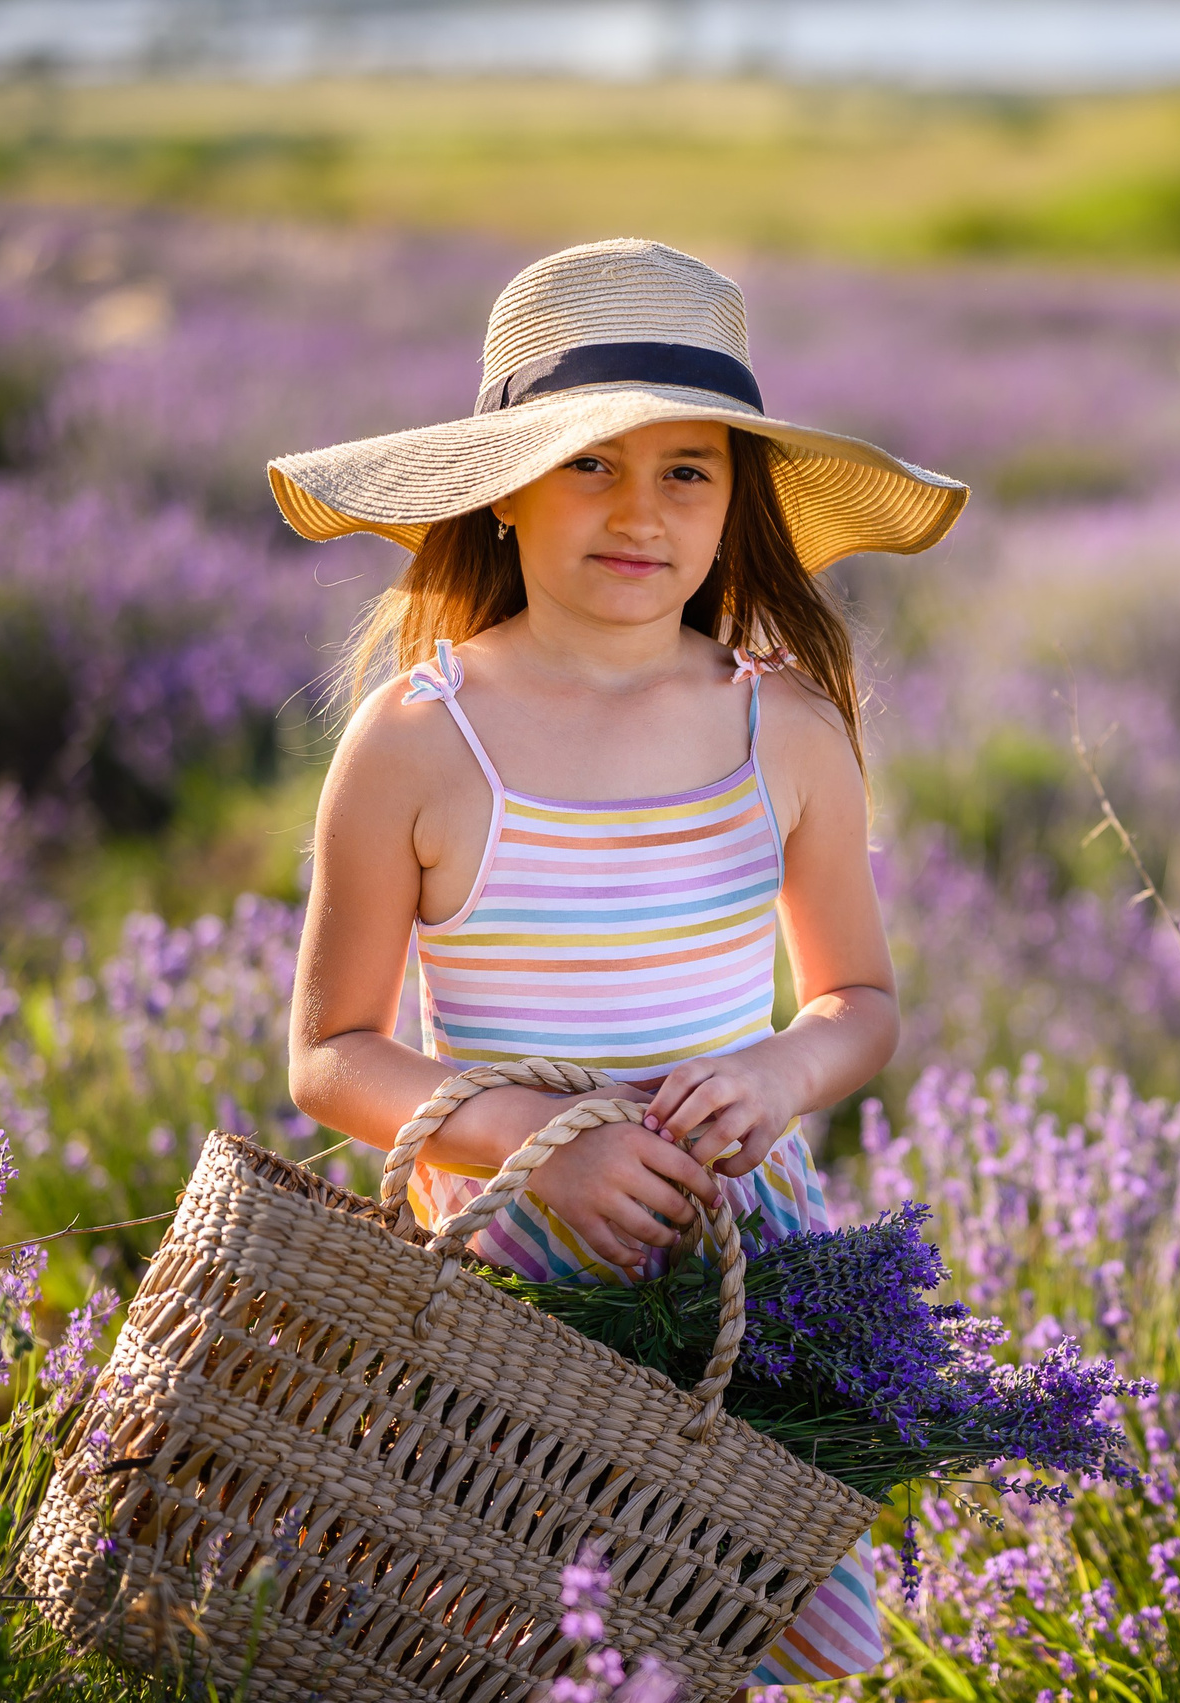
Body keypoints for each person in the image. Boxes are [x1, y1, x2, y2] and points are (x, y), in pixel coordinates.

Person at [275, 238, 966, 1688]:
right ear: (506, 486)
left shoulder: (784, 731)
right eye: (591, 462)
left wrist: (783, 1069)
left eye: (689, 469)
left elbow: (862, 1004)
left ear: (739, 502)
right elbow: (332, 1051)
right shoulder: (418, 736)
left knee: (742, 1634)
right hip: (510, 1274)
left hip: (739, 1267)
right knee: (501, 1632)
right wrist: (542, 1144)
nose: (639, 510)